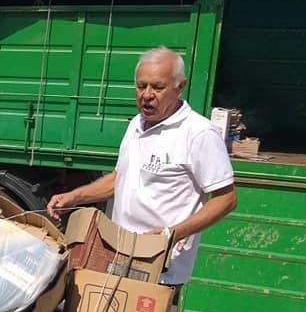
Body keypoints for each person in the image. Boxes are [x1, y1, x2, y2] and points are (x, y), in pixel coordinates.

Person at [47, 46, 237, 290]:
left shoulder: (199, 134)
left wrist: (172, 234)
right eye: (141, 86)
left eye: (157, 87)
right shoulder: (137, 124)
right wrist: (74, 196)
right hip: (117, 252)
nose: (147, 95)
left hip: (160, 267)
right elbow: (120, 179)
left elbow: (226, 199)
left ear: (180, 86)